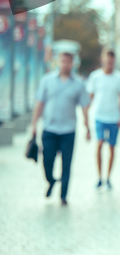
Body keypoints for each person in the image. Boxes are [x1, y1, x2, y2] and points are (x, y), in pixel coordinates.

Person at [30, 52, 91, 205]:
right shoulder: (47, 81)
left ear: (73, 64)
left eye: (68, 62)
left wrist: (87, 126)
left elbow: (85, 106)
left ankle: (63, 195)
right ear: (58, 63)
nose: (65, 65)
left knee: (67, 164)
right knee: (47, 160)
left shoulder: (78, 83)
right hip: (49, 129)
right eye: (63, 62)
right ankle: (50, 181)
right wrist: (34, 125)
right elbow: (39, 103)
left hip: (68, 130)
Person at [86, 49, 120, 189]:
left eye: (111, 61)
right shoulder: (95, 77)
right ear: (102, 60)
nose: (109, 63)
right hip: (99, 116)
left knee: (111, 147)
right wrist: (87, 116)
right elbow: (90, 96)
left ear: (114, 62)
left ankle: (108, 177)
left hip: (114, 118)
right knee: (99, 144)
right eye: (107, 61)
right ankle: (99, 176)